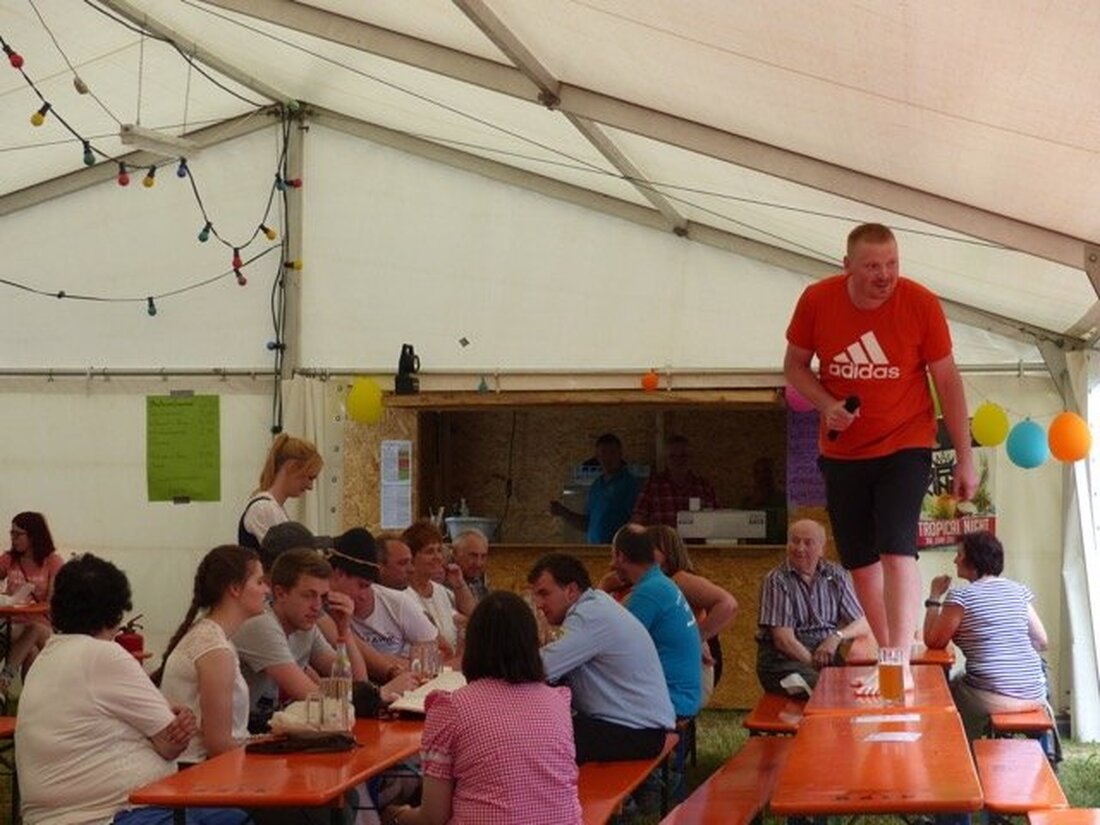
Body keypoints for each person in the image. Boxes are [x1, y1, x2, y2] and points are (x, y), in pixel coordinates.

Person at [784, 222, 977, 650]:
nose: (885, 275)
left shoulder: (920, 303)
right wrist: (826, 404)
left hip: (905, 441)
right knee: (860, 561)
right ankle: (890, 648)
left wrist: (965, 456)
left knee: (895, 546)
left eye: (892, 263)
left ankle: (899, 658)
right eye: (872, 266)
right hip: (843, 450)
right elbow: (794, 366)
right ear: (847, 265)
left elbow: (947, 380)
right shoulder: (818, 300)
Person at [16, 553, 245, 825]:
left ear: (57, 608)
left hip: (63, 814)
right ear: (116, 611)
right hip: (112, 815)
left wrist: (159, 727)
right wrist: (168, 727)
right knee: (242, 817)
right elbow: (170, 743)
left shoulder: (48, 656)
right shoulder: (104, 655)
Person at [382, 591, 581, 825]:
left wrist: (393, 815)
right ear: (532, 643)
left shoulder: (450, 708)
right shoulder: (557, 701)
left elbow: (433, 817)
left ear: (473, 644)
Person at [528, 553, 674, 763]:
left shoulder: (589, 617)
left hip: (637, 732)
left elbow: (540, 668)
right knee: (546, 724)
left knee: (531, 733)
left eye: (544, 594)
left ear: (570, 590)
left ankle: (547, 793)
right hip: (641, 725)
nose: (539, 604)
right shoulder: (595, 606)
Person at [924, 530, 1049, 740]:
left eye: (960, 554)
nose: (955, 560)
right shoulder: (1018, 590)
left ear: (974, 559)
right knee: (965, 679)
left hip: (996, 698)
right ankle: (1048, 756)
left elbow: (933, 641)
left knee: (946, 693)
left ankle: (963, 756)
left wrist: (935, 595)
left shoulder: (961, 596)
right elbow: (1042, 641)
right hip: (1035, 693)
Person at [232, 547, 369, 730]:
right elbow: (313, 697)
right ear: (280, 594)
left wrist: (344, 630)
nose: (318, 606)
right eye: (308, 595)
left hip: (262, 728)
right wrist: (379, 694)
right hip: (238, 734)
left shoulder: (306, 627)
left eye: (323, 597)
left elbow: (357, 684)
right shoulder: (261, 624)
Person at [156, 545, 269, 762]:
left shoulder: (212, 636)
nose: (267, 590)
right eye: (259, 582)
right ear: (235, 589)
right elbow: (218, 746)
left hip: (208, 768)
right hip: (199, 773)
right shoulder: (214, 648)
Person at [756, 519, 871, 694]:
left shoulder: (836, 574)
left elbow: (863, 622)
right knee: (829, 691)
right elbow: (784, 641)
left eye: (808, 543)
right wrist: (819, 666)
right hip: (784, 661)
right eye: (795, 541)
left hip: (826, 654)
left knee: (858, 687)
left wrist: (836, 637)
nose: (800, 548)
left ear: (822, 549)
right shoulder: (777, 580)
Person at [611, 525, 702, 720]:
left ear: (620, 556)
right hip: (683, 696)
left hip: (671, 701)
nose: (611, 565)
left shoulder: (648, 593)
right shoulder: (660, 583)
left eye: (612, 557)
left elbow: (614, 648)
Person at [318, 527, 425, 692]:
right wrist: (392, 671)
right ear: (338, 574)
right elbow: (360, 679)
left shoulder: (396, 600)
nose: (364, 595)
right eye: (361, 586)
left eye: (369, 586)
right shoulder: (318, 607)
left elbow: (439, 647)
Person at [648, 525, 737, 702]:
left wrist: (696, 637)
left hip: (697, 662)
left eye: (651, 549)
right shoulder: (656, 582)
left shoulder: (681, 579)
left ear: (667, 551)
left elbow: (728, 605)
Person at [0, 511, 64, 692]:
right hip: (12, 625)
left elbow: (53, 604)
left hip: (42, 627)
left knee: (33, 629)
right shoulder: (9, 559)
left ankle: (3, 682)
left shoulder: (52, 561)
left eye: (18, 534)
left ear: (34, 535)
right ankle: (28, 704)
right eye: (11, 533)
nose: (13, 538)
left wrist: (28, 606)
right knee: (31, 653)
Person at [238, 434, 323, 553]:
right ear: (291, 466)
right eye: (310, 477)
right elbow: (286, 560)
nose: (310, 486)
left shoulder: (274, 508)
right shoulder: (264, 509)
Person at [550, 433, 640, 543]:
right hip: (594, 551)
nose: (607, 458)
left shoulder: (629, 484)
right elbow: (587, 524)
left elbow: (637, 523)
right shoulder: (596, 486)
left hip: (618, 551)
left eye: (612, 453)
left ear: (620, 454)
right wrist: (563, 512)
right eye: (603, 453)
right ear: (597, 457)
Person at [402, 521, 475, 654]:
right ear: (411, 558)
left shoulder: (441, 591)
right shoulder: (403, 595)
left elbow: (474, 617)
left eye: (439, 550)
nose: (438, 557)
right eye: (430, 552)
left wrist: (460, 584)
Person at [630, 435, 717, 527]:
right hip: (662, 541)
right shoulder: (653, 485)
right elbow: (637, 518)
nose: (679, 460)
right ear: (666, 459)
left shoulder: (704, 487)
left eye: (683, 455)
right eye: (672, 456)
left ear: (691, 458)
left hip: (695, 541)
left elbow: (717, 519)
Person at [740, 456, 788, 545]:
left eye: (766, 472)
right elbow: (740, 530)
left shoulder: (783, 500)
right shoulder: (746, 502)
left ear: (773, 474)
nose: (762, 477)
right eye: (758, 473)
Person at [449, 529, 490, 603]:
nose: (478, 563)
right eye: (473, 556)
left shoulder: (480, 578)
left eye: (483, 556)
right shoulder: (442, 582)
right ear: (455, 554)